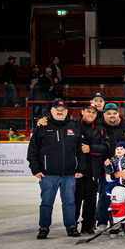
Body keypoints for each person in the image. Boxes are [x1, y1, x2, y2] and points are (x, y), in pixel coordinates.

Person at [27, 99, 86, 239]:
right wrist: (35, 169)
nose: (60, 111)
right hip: (48, 174)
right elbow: (33, 150)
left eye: (62, 109)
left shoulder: (74, 127)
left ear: (67, 112)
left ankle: (71, 227)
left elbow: (80, 151)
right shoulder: (42, 127)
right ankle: (43, 227)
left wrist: (81, 168)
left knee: (69, 202)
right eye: (57, 109)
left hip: (69, 174)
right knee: (46, 203)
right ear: (51, 111)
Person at [75, 104, 106, 234]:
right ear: (82, 112)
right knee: (75, 199)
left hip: (93, 170)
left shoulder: (100, 129)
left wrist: (91, 148)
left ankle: (87, 226)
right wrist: (43, 120)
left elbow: (105, 146)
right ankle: (72, 225)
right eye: (88, 111)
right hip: (77, 170)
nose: (91, 114)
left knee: (91, 200)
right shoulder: (73, 125)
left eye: (93, 113)